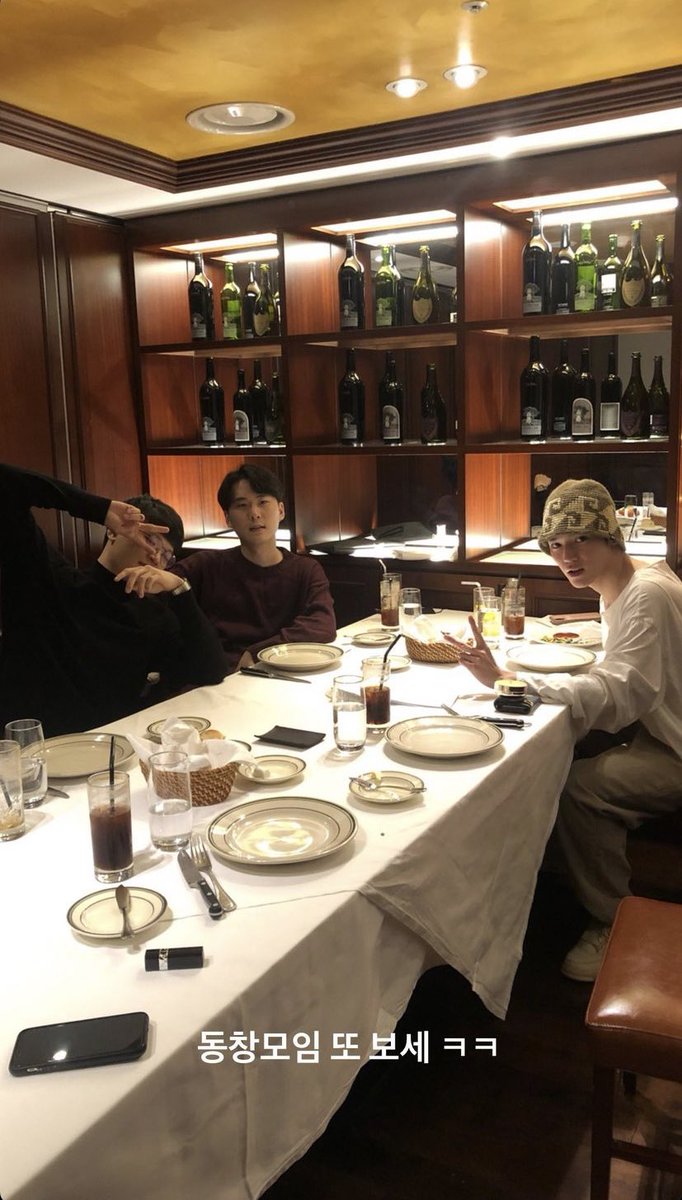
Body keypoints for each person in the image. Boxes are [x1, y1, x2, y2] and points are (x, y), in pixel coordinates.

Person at [445, 479, 682, 982]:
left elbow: (621, 693)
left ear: (611, 536)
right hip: (662, 730)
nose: (566, 556)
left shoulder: (647, 596)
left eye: (580, 539)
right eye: (555, 544)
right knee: (563, 751)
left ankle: (613, 920)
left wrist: (508, 681)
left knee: (580, 789)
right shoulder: (628, 583)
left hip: (675, 747)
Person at [0, 462, 228, 736]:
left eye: (167, 555)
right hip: (34, 745)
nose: (155, 556)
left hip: (115, 747)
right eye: (150, 540)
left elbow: (211, 671)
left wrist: (180, 589)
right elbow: (6, 485)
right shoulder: (52, 581)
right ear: (112, 530)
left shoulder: (155, 616)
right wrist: (99, 509)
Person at [172, 464, 336, 671]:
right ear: (228, 518)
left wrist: (260, 652)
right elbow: (160, 587)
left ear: (281, 510)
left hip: (283, 674)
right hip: (223, 678)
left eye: (262, 502)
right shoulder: (206, 565)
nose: (254, 514)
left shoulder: (306, 570)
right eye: (242, 505)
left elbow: (322, 624)